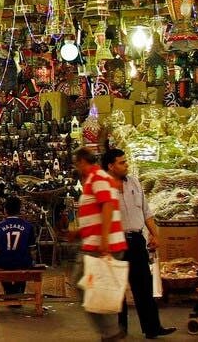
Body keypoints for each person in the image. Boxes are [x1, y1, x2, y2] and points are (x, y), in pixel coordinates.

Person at [102, 149, 175, 339]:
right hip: (114, 243)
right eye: (121, 162)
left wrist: (155, 234)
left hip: (136, 241)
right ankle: (118, 330)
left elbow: (146, 211)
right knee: (117, 290)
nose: (126, 165)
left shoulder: (133, 182)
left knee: (143, 286)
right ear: (110, 166)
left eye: (126, 162)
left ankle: (152, 328)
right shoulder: (102, 188)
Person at [73, 146, 128, 342]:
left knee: (88, 286)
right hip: (95, 243)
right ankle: (110, 331)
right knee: (99, 289)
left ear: (81, 162)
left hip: (102, 245)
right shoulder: (95, 179)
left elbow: (107, 205)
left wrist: (104, 239)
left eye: (77, 163)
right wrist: (80, 232)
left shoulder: (98, 177)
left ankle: (111, 332)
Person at [0, 195, 36, 298]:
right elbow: (32, 249)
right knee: (25, 262)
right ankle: (19, 291)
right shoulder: (28, 226)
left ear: (5, 210)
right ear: (19, 210)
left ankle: (9, 290)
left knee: (1, 263)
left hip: (3, 263)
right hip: (23, 262)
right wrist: (32, 261)